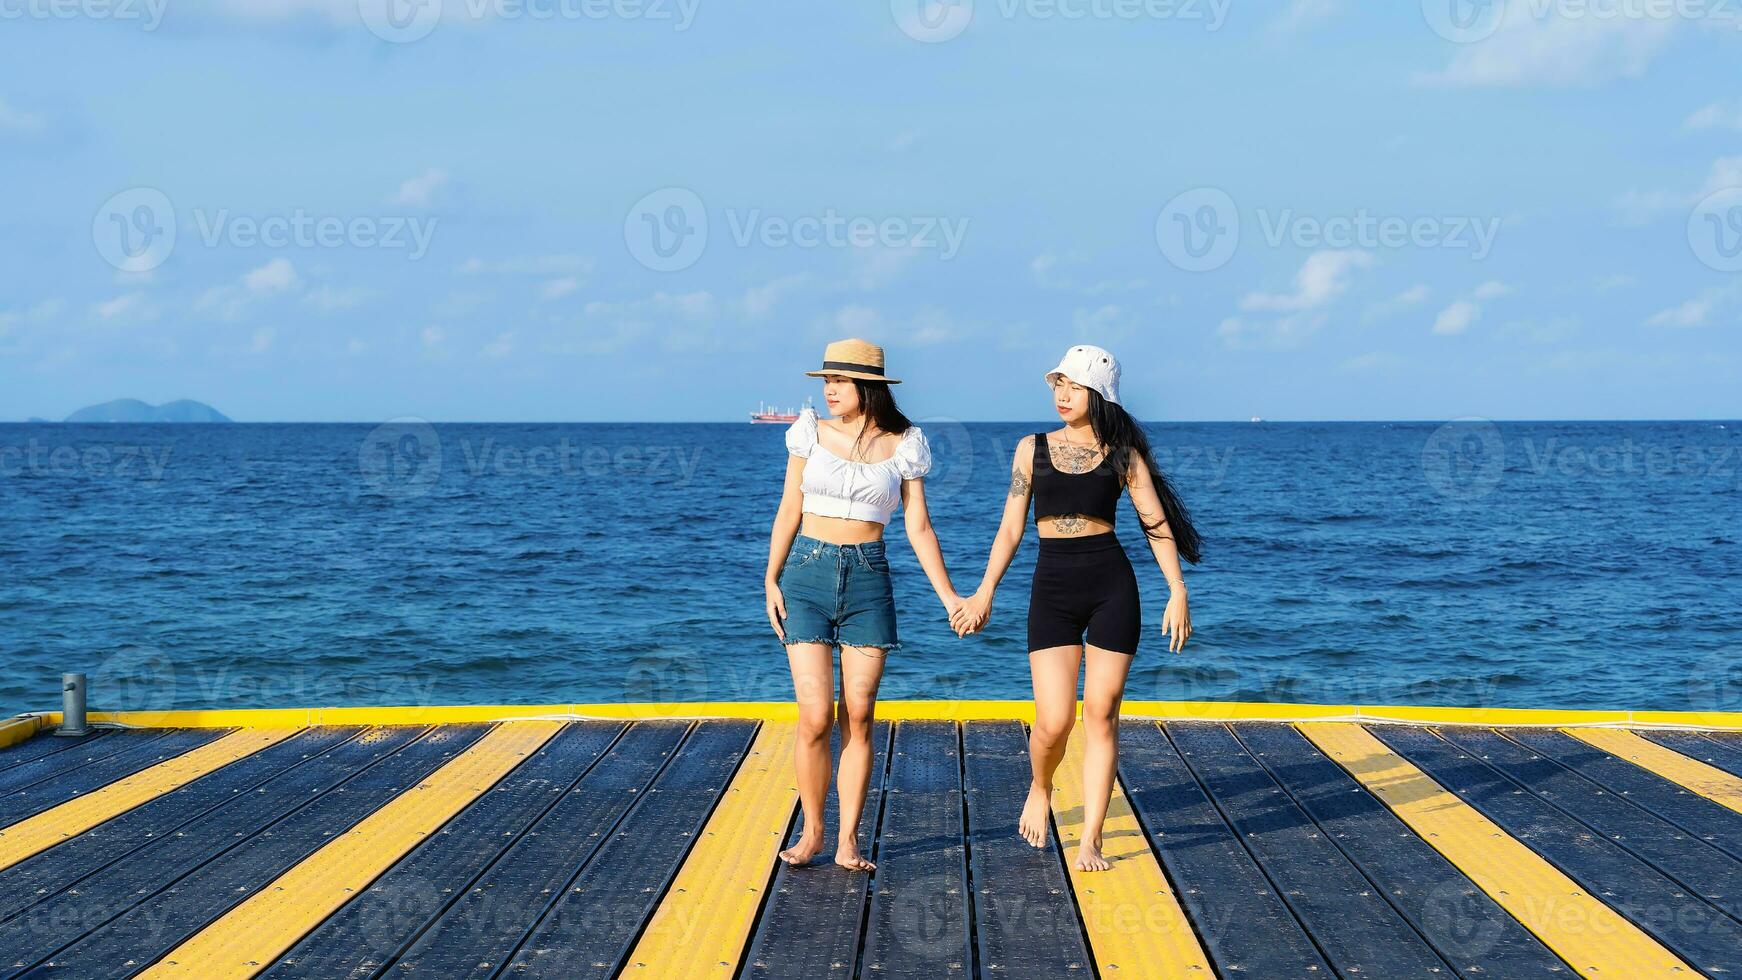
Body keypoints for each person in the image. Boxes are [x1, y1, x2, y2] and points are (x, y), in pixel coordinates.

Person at [952, 343, 1202, 871]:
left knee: (1101, 715)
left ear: (1099, 394)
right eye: (1058, 385)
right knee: (1054, 721)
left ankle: (1092, 837)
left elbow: (1154, 523)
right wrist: (984, 591)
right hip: (1053, 589)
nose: (1062, 395)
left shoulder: (1124, 455)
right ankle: (1041, 787)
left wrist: (1176, 588)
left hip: (1112, 585)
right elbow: (1010, 528)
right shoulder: (1031, 449)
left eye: (1074, 386)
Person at [766, 338, 965, 871]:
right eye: (826, 381)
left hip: (868, 578)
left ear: (868, 387)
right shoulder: (809, 431)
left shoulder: (905, 443)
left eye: (841, 381)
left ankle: (848, 840)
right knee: (813, 716)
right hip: (806, 573)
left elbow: (918, 526)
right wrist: (771, 579)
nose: (829, 390)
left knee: (858, 714)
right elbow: (789, 507)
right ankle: (811, 832)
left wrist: (949, 596)